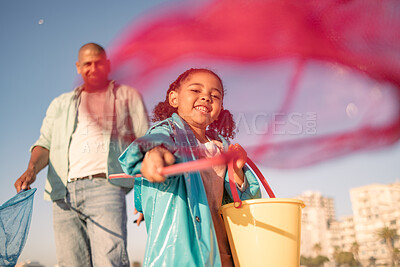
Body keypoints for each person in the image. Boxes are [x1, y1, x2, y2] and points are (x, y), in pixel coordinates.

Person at [14, 43, 149, 267]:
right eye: (87, 63)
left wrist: (143, 194)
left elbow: (143, 143)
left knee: (110, 261)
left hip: (106, 187)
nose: (93, 68)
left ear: (107, 65)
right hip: (61, 192)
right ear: (78, 67)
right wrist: (31, 170)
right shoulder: (60, 103)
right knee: (70, 263)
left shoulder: (127, 95)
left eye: (98, 63)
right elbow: (44, 144)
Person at [119, 68, 261, 266]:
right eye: (196, 90)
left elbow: (249, 202)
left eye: (215, 95)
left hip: (222, 250)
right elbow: (153, 144)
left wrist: (237, 170)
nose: (206, 98)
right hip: (181, 251)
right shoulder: (168, 132)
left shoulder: (222, 146)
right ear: (174, 98)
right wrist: (154, 153)